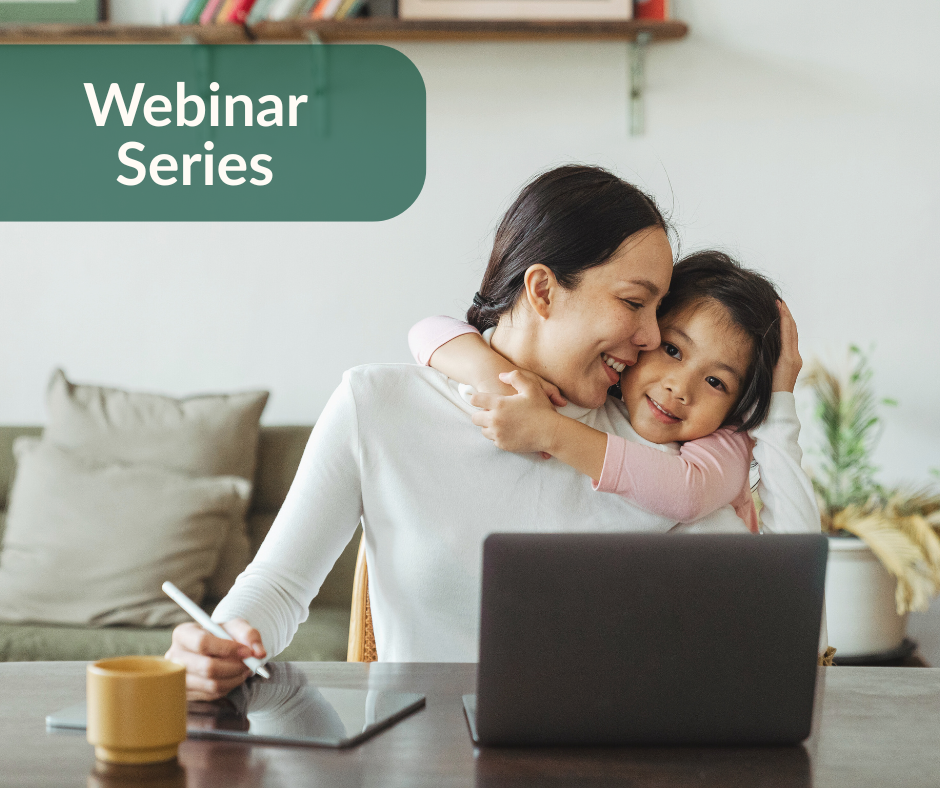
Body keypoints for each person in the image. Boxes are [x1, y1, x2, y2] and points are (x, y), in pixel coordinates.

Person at [166, 165, 821, 700]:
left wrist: (781, 406)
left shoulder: (658, 451)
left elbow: (786, 618)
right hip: (419, 767)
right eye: (633, 302)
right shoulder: (379, 405)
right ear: (542, 290)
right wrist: (220, 638)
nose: (651, 338)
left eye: (658, 310)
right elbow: (278, 588)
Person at [407, 251, 808, 532]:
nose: (680, 388)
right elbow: (427, 329)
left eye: (716, 382)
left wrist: (549, 431)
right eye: (672, 350)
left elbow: (688, 492)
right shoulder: (601, 390)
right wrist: (495, 376)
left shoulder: (726, 440)